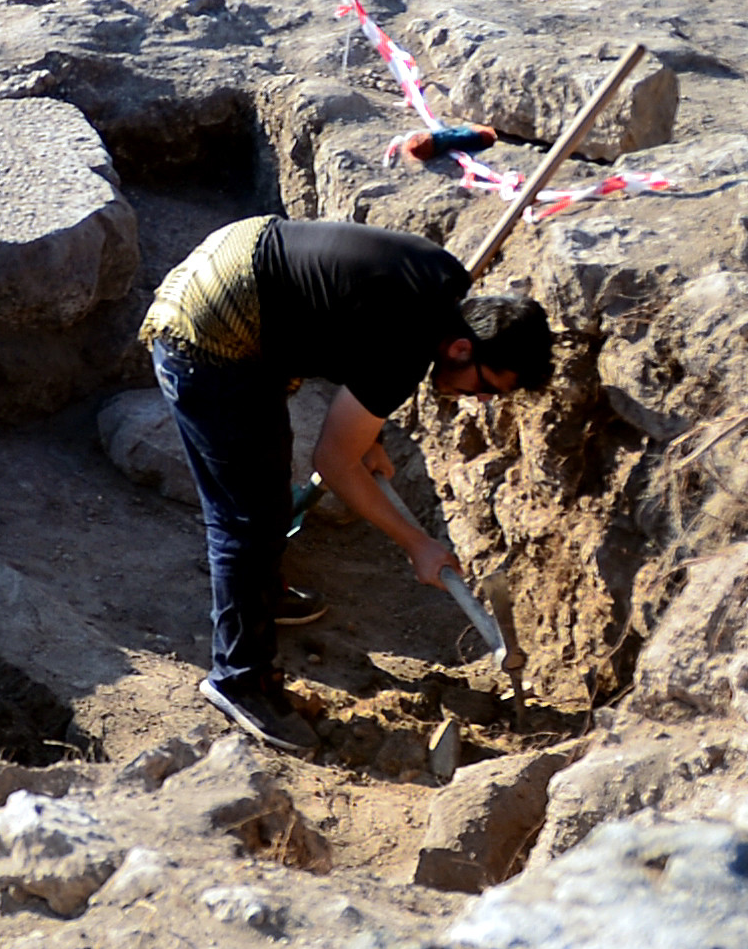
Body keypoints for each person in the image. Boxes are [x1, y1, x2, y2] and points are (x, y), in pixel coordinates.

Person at [141, 214, 553, 749]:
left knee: (264, 485)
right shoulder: (407, 346)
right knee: (246, 514)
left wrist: (367, 439)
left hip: (245, 260)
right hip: (211, 322)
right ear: (461, 350)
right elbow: (334, 461)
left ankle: (257, 595)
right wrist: (418, 545)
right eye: (488, 387)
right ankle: (238, 679)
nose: (481, 400)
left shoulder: (443, 285)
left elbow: (354, 329)